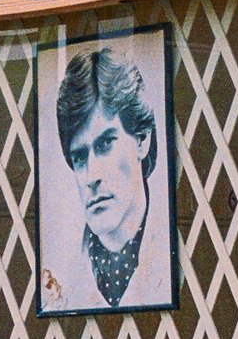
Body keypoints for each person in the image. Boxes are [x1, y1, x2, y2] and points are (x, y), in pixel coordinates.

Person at [51, 44, 167, 312]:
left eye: (105, 144)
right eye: (79, 157)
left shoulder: (176, 250)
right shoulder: (60, 269)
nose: (92, 176)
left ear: (141, 139)